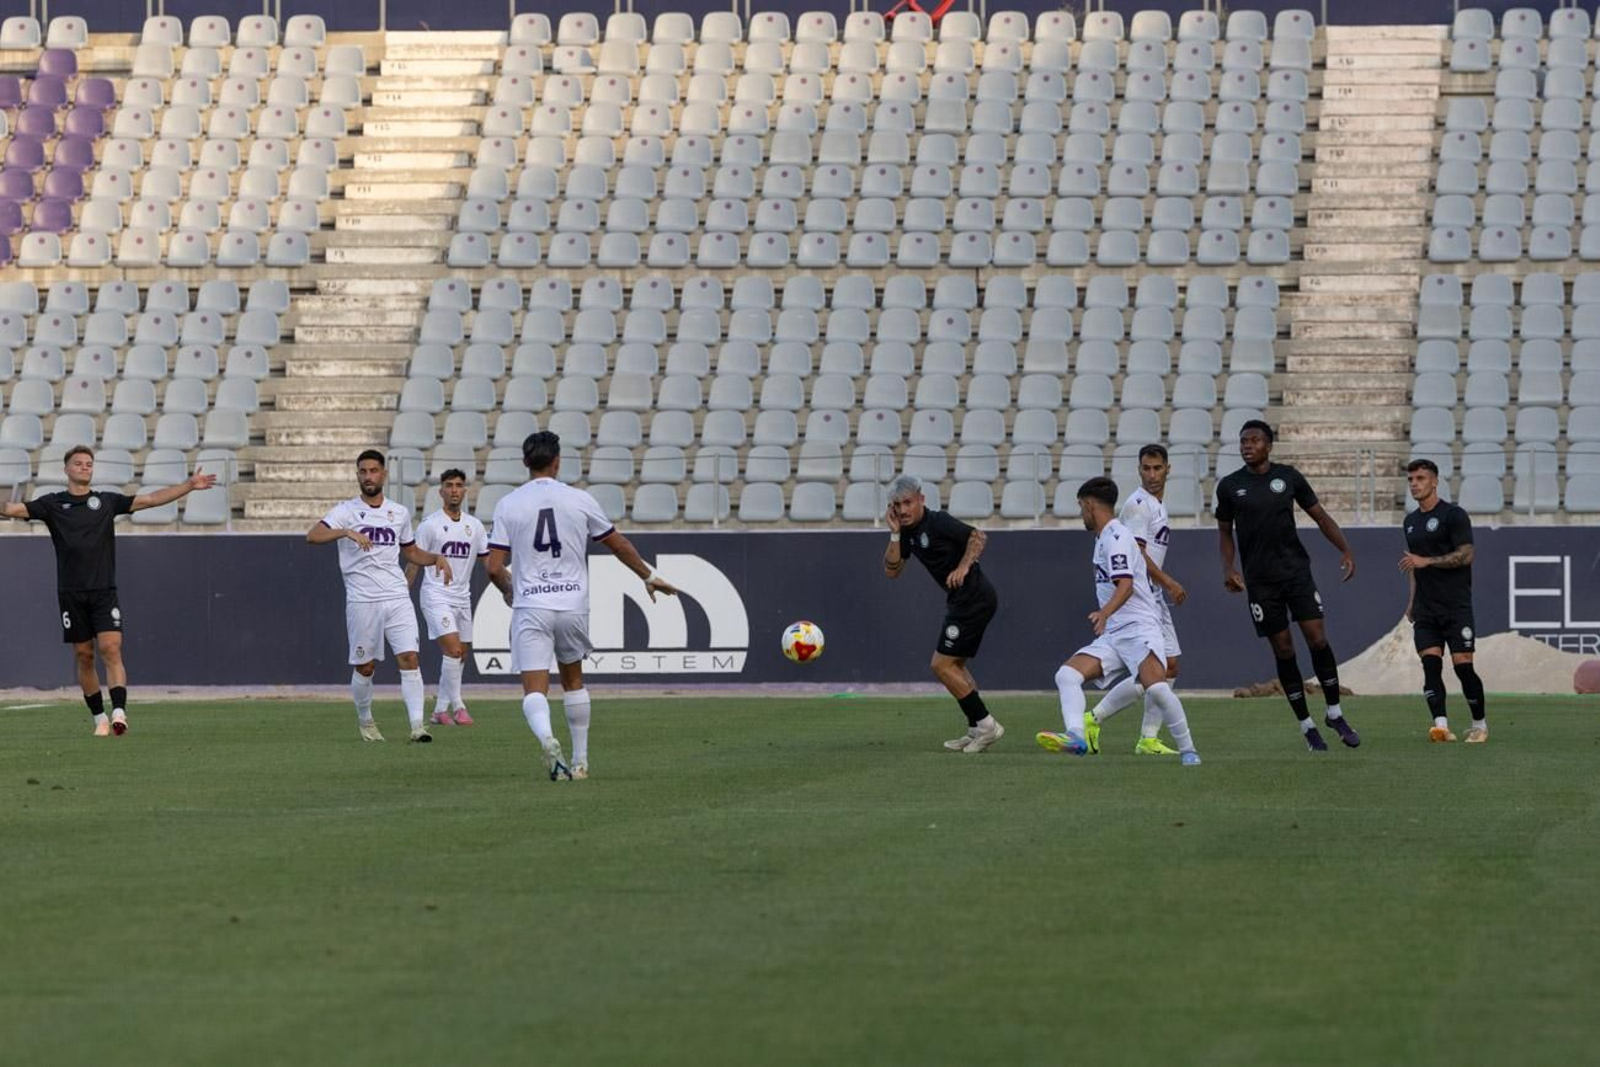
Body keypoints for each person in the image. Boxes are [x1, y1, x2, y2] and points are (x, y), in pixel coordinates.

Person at [485, 432, 676, 782]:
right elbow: (617, 544)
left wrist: (510, 591)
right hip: (572, 604)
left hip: (532, 606)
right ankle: (581, 762)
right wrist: (649, 576)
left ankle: (547, 739)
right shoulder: (580, 499)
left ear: (525, 462)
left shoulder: (508, 504)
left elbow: (494, 567)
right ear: (558, 462)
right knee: (573, 681)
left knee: (534, 690)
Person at [0, 445, 215, 736]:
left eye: (89, 463)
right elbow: (11, 509)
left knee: (110, 648)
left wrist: (188, 485)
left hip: (104, 591)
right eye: (79, 463)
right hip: (71, 593)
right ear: (66, 469)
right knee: (84, 655)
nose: (85, 467)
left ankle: (119, 712)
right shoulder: (52, 504)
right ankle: (99, 717)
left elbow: (150, 499)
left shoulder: (106, 502)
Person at [1216, 420, 1361, 752]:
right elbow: (1224, 532)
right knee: (1283, 650)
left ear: (1269, 446)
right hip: (1260, 582)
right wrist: (1228, 567)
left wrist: (1345, 549)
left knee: (1318, 639)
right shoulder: (1230, 486)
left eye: (1254, 440)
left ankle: (1335, 713)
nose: (1247, 445)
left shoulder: (1288, 477)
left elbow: (1319, 515)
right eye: (1243, 441)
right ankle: (1307, 726)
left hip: (1296, 573)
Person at [1037, 477, 1200, 766]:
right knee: (1067, 675)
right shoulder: (1104, 537)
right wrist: (1109, 618)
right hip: (1115, 633)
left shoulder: (1116, 538)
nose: (1081, 513)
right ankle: (1076, 736)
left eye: (1081, 507)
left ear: (1090, 505)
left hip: (1139, 629)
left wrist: (1105, 612)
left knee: (1157, 687)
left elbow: (1125, 585)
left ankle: (1189, 751)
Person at [307, 450, 453, 743]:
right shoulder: (345, 511)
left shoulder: (398, 512)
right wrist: (345, 532)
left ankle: (417, 727)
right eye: (363, 471)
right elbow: (313, 536)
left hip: (397, 596)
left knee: (409, 658)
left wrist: (435, 557)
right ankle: (366, 721)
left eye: (373, 471)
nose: (368, 476)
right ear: (357, 475)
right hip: (363, 600)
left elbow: (410, 551)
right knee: (366, 666)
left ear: (384, 475)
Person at [882, 474, 1005, 753]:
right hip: (962, 599)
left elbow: (978, 536)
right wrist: (894, 533)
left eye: (908, 503)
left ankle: (987, 725)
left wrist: (963, 567)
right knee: (955, 666)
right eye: (897, 505)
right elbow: (892, 571)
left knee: (941, 665)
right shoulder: (906, 532)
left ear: (921, 499)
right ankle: (976, 728)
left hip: (974, 597)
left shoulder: (937, 522)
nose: (903, 510)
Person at [1081, 444, 1186, 756]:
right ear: (1139, 470)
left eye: (1157, 468)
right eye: (1146, 468)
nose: (1152, 475)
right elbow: (1137, 552)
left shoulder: (1156, 504)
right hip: (1141, 597)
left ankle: (1145, 737)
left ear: (1168, 469)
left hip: (1151, 594)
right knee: (1157, 671)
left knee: (1168, 667)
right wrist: (1168, 581)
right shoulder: (1139, 505)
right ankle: (1099, 719)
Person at [1400, 459, 1487, 743]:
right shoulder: (1410, 522)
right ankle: (1440, 726)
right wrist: (1411, 602)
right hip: (1425, 607)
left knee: (1463, 666)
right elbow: (1413, 565)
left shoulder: (1453, 515)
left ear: (1435, 482)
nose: (1414, 484)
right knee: (1430, 664)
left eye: (1420, 478)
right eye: (1411, 479)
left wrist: (1427, 561)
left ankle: (1479, 725)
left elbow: (1466, 555)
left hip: (1455, 605)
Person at [406, 469, 488, 727]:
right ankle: (459, 706)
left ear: (465, 491)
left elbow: (488, 561)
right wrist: (403, 592)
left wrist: (508, 584)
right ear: (440, 491)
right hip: (436, 595)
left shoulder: (475, 526)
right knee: (453, 649)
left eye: (459, 485)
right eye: (449, 485)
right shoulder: (430, 525)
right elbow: (414, 561)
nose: (454, 490)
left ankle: (440, 710)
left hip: (463, 598)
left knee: (460, 654)